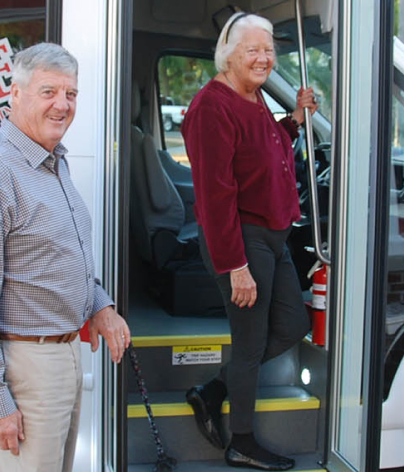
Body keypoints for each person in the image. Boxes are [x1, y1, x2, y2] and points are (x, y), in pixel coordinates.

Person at [0, 42, 131, 472]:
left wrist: (99, 305)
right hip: (26, 367)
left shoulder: (51, 161)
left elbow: (59, 258)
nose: (62, 105)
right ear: (16, 94)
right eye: (49, 92)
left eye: (71, 94)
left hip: (64, 355)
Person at [180, 12, 317, 472]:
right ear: (229, 54)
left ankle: (213, 391)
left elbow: (268, 145)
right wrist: (235, 264)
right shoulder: (210, 107)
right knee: (250, 344)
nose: (264, 59)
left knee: (292, 325)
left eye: (269, 51)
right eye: (253, 50)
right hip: (244, 240)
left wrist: (295, 120)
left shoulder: (253, 96)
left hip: (273, 236)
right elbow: (215, 197)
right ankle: (241, 441)